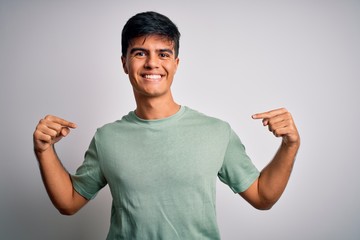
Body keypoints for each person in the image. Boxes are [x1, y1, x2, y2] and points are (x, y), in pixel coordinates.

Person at [33, 11, 300, 240]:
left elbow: (263, 197)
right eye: (140, 53)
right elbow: (69, 202)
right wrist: (44, 151)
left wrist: (290, 145)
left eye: (163, 54)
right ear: (124, 63)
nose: (152, 63)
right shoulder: (106, 138)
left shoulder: (216, 132)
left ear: (175, 63)